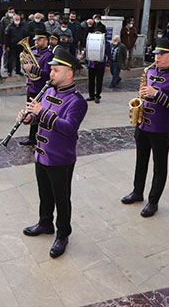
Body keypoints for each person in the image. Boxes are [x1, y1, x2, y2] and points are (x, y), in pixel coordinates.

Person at [19, 47, 87, 259]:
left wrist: (42, 112)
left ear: (69, 73)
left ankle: (63, 233)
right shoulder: (48, 92)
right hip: (41, 153)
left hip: (60, 158)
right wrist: (30, 117)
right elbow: (40, 118)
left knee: (61, 198)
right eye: (51, 70)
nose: (51, 74)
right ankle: (45, 223)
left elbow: (68, 128)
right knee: (44, 193)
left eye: (56, 70)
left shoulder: (77, 101)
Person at [121, 38, 169, 218]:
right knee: (140, 161)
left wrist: (157, 94)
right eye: (156, 54)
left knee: (159, 166)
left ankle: (153, 201)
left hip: (161, 129)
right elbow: (145, 94)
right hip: (142, 124)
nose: (156, 57)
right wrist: (141, 99)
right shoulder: (149, 71)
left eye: (161, 54)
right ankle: (137, 192)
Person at [20, 32, 54, 146]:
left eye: (39, 40)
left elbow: (47, 74)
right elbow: (27, 69)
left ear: (46, 40)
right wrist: (24, 64)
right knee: (30, 113)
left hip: (40, 89)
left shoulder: (49, 55)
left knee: (39, 114)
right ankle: (32, 137)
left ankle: (40, 138)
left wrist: (32, 68)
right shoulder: (33, 52)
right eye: (35, 40)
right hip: (31, 86)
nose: (36, 42)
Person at [85, 31, 111, 103]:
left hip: (101, 65)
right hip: (91, 64)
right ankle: (91, 95)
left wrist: (107, 64)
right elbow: (87, 51)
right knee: (91, 81)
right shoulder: (91, 42)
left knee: (99, 81)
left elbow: (108, 54)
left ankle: (97, 96)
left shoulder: (106, 44)